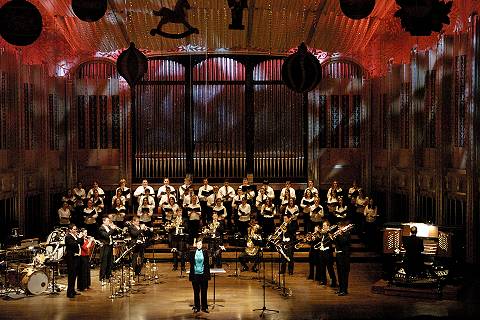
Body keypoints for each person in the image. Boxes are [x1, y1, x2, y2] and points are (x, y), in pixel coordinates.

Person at [189, 239, 211, 313]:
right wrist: (176, 250)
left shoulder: (205, 252)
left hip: (203, 275)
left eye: (200, 244)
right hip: (195, 275)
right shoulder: (192, 253)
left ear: (202, 245)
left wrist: (220, 250)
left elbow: (214, 254)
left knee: (204, 292)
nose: (199, 245)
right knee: (196, 292)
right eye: (198, 244)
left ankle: (204, 307)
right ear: (196, 245)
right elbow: (184, 255)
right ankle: (197, 307)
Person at [314, 221, 337, 287]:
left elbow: (332, 241)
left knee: (330, 268)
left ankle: (333, 282)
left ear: (328, 226)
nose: (323, 227)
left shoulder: (330, 233)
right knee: (322, 267)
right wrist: (317, 234)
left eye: (324, 225)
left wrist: (328, 233)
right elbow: (318, 240)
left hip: (327, 252)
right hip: (321, 251)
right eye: (323, 225)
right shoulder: (322, 233)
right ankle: (323, 280)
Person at [98, 216, 119, 286]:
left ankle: (108, 275)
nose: (109, 222)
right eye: (107, 221)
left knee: (110, 261)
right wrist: (112, 229)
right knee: (104, 262)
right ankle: (102, 277)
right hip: (104, 246)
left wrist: (115, 229)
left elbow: (114, 234)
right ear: (103, 221)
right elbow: (106, 235)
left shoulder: (109, 227)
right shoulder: (101, 228)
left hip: (110, 246)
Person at [334, 220, 351, 296]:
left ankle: (344, 290)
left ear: (344, 227)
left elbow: (343, 242)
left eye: (340, 227)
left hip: (344, 256)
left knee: (344, 274)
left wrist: (338, 235)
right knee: (339, 273)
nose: (338, 228)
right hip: (339, 255)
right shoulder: (340, 234)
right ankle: (341, 289)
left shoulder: (347, 233)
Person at [64, 224, 82, 298]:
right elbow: (73, 244)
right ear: (70, 230)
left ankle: (73, 290)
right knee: (71, 275)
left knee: (75, 274)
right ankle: (69, 292)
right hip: (71, 258)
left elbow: (81, 243)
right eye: (74, 229)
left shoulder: (76, 236)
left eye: (76, 229)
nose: (76, 230)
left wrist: (80, 238)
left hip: (76, 257)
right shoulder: (68, 237)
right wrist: (79, 239)